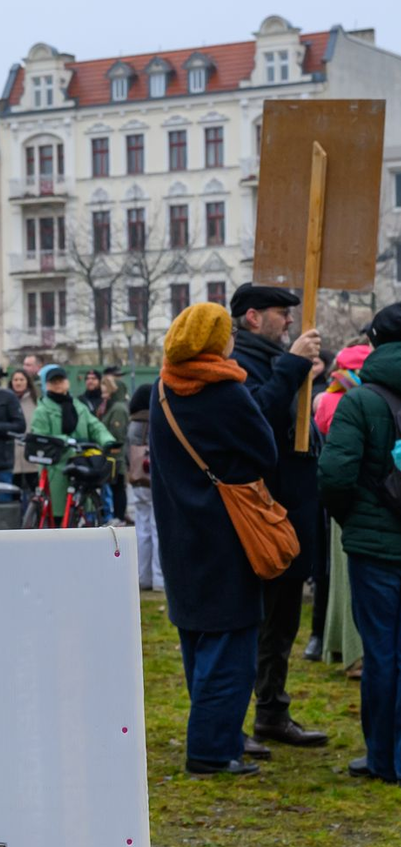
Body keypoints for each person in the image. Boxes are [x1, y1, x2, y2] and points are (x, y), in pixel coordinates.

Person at [149, 302, 278, 776]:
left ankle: (219, 734)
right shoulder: (226, 390)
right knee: (230, 644)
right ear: (216, 340)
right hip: (227, 535)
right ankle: (211, 750)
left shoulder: (162, 388)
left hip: (179, 532)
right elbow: (265, 452)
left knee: (198, 641)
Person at [229, 282, 327, 751]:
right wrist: (292, 366)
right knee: (251, 622)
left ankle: (271, 711)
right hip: (261, 516)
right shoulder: (237, 364)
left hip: (290, 512)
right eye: (280, 313)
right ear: (253, 317)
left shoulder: (273, 361)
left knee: (284, 619)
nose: (290, 321)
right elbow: (257, 419)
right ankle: (231, 722)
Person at [317, 302, 401, 781]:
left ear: (374, 342)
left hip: (374, 549)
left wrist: (352, 519)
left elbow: (335, 474)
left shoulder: (360, 401)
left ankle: (382, 758)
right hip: (376, 541)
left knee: (381, 652)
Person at [314, 343, 372, 673]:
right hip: (367, 500)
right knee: (360, 582)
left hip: (340, 505)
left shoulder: (326, 399)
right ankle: (357, 654)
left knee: (339, 577)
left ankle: (339, 646)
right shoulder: (362, 400)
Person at [29, 364, 114, 521]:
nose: (58, 385)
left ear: (67, 383)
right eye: (53, 382)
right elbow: (40, 435)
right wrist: (65, 440)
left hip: (78, 462)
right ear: (46, 385)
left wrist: (107, 440)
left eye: (61, 381)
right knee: (57, 512)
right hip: (55, 464)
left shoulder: (78, 406)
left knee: (78, 507)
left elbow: (95, 426)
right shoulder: (42, 410)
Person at [125, 385, 162, 591]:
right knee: (158, 528)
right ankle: (159, 578)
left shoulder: (132, 424)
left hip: (137, 480)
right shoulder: (154, 421)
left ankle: (142, 575)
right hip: (154, 479)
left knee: (142, 528)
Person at [97, 373, 130, 521]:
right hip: (111, 455)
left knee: (118, 487)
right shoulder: (109, 406)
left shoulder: (118, 409)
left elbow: (118, 434)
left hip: (116, 456)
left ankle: (119, 516)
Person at [8, 367, 40, 500]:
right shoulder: (6, 400)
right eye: (15, 380)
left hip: (31, 455)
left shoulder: (35, 401)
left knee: (34, 492)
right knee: (13, 494)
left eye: (21, 379)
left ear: (27, 382)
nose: (18, 383)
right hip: (12, 456)